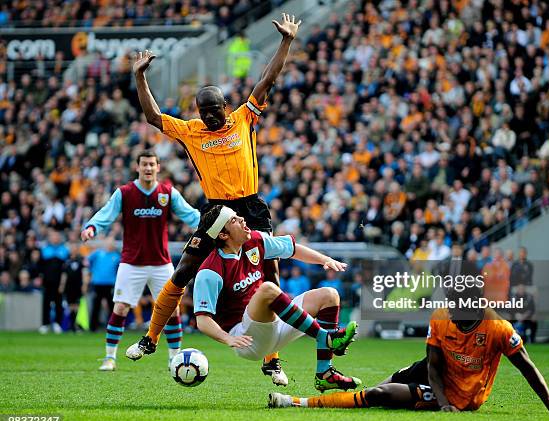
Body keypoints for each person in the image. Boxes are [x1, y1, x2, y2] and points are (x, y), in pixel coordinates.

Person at [126, 13, 302, 386]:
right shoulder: (192, 131)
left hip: (250, 207)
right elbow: (153, 116)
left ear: (225, 105)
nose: (209, 116)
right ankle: (150, 339)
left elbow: (267, 79)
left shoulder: (242, 118)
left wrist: (286, 41)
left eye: (214, 109)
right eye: (203, 111)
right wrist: (140, 76)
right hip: (217, 211)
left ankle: (272, 360)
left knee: (268, 276)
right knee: (184, 270)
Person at [269, 286, 549, 415]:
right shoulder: (442, 317)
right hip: (436, 374)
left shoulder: (498, 329)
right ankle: (326, 395)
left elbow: (526, 366)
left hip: (462, 395)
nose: (450, 311)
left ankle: (296, 403)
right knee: (383, 387)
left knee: (379, 396)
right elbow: (432, 364)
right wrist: (440, 401)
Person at [172, 204, 360, 391]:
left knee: (329, 295)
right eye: (234, 220)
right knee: (268, 289)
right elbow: (203, 320)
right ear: (223, 235)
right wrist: (227, 339)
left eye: (238, 216)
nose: (242, 219)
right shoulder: (210, 271)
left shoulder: (254, 240)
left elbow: (292, 248)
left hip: (273, 326)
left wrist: (325, 260)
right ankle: (326, 338)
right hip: (247, 339)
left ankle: (325, 374)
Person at [82, 150, 200, 371]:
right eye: (144, 164)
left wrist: (211, 226)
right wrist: (91, 227)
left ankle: (174, 358)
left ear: (157, 167)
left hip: (161, 263)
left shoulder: (167, 192)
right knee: (120, 307)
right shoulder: (125, 193)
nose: (148, 168)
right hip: (131, 262)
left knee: (172, 310)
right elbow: (106, 214)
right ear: (137, 167)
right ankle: (110, 358)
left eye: (151, 164)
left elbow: (191, 215)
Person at [39, 230, 70, 334]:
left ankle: (57, 323)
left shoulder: (64, 250)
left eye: (57, 236)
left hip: (59, 282)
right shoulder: (45, 249)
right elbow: (40, 266)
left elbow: (65, 268)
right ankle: (45, 324)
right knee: (46, 303)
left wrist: (63, 283)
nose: (55, 238)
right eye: (53, 236)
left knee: (58, 302)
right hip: (47, 281)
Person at [58, 243, 89, 332]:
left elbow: (84, 273)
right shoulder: (67, 261)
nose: (73, 250)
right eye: (72, 248)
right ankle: (71, 325)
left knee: (77, 306)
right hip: (69, 286)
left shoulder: (81, 260)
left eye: (75, 248)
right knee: (70, 305)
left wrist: (84, 285)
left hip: (78, 286)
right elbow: (64, 275)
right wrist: (62, 285)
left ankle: (75, 325)